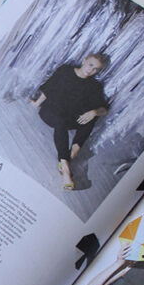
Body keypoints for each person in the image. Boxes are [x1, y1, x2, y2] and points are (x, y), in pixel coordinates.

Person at [31, 53, 110, 191]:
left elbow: (104, 109)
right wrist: (37, 103)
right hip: (50, 112)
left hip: (70, 117)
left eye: (95, 69)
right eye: (90, 65)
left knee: (91, 119)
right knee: (60, 121)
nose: (91, 70)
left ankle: (70, 157)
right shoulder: (66, 70)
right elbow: (49, 87)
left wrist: (94, 112)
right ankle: (66, 169)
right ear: (84, 60)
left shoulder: (94, 86)